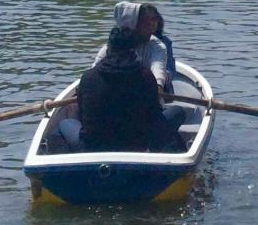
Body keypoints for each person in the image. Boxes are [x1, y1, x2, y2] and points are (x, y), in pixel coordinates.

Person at [76, 25, 184, 153]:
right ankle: (161, 152)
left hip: (93, 146)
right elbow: (155, 113)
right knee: (177, 112)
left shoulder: (88, 77)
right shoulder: (145, 77)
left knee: (65, 124)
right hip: (135, 146)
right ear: (133, 50)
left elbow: (82, 114)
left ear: (108, 49)